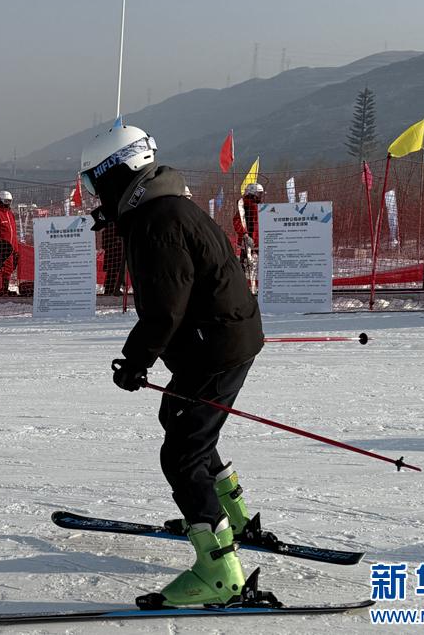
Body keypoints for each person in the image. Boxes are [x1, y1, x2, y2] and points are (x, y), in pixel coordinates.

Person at [79, 124, 264, 607]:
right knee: (182, 423)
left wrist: (135, 361)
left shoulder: (157, 220)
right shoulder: (164, 206)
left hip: (215, 347)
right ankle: (231, 517)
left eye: (95, 182)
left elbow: (165, 309)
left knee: (181, 454)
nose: (94, 195)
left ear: (117, 172)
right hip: (221, 338)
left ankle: (219, 572)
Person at [232, 183, 264, 264]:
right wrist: (245, 234)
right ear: (253, 194)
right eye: (259, 194)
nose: (260, 196)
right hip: (248, 241)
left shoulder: (258, 206)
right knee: (248, 264)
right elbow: (237, 222)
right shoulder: (246, 206)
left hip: (258, 241)